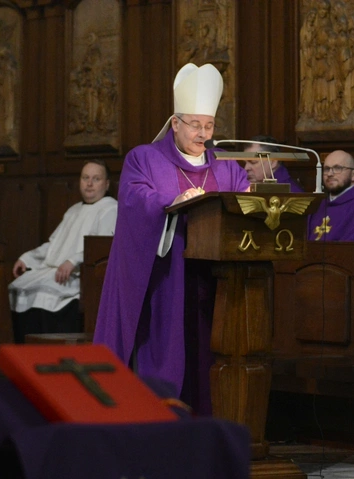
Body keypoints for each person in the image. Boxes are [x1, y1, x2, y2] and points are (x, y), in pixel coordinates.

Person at [93, 63, 250, 415]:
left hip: (217, 282)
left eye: (209, 125)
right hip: (165, 280)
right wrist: (169, 202)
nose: (203, 133)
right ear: (175, 123)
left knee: (208, 351)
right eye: (195, 124)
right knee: (167, 350)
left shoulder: (225, 165)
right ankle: (156, 421)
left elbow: (244, 197)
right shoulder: (144, 158)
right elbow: (135, 199)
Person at [9, 160, 117, 344]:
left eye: (96, 179)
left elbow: (103, 248)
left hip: (79, 277)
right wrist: (27, 259)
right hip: (55, 271)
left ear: (106, 184)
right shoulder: (73, 210)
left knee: (44, 292)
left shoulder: (111, 208)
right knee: (18, 286)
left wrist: (73, 261)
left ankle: (47, 355)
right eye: (85, 178)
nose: (89, 183)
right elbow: (54, 245)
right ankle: (26, 354)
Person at [307, 150, 354, 241]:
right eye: (326, 169)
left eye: (337, 168)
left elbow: (351, 249)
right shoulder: (317, 205)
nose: (330, 174)